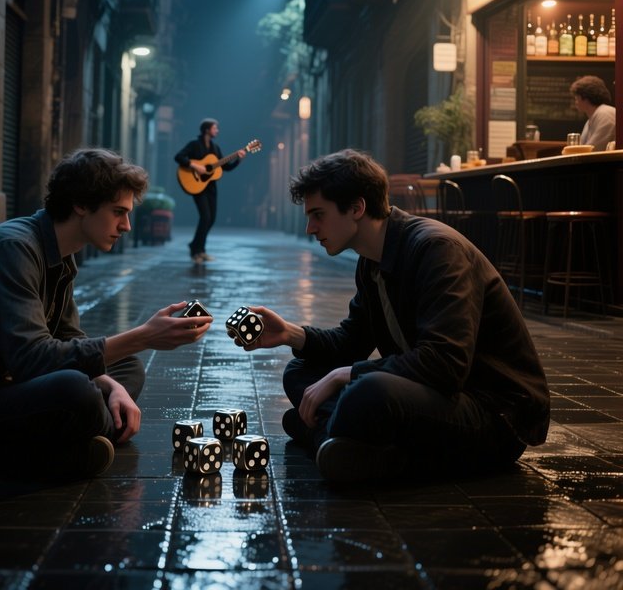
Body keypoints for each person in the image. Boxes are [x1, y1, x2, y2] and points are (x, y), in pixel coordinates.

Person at [0, 148, 212, 480]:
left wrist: (110, 384)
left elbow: (67, 337)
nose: (127, 225)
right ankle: (67, 445)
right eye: (118, 212)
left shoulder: (61, 255)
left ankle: (81, 436)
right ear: (80, 204)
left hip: (2, 384)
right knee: (76, 389)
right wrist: (143, 337)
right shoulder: (13, 248)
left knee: (125, 370)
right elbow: (31, 358)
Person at [238, 149, 550, 483]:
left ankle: (334, 439)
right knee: (301, 370)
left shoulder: (437, 251)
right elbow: (350, 341)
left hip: (496, 415)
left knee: (369, 391)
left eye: (318, 215)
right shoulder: (372, 261)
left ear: (357, 208)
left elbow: (445, 364)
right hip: (439, 398)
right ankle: (341, 443)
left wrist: (345, 375)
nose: (310, 228)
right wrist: (290, 334)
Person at [174, 118, 245, 264]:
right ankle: (195, 251)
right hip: (197, 186)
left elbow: (225, 168)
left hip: (210, 187)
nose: (217, 130)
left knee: (211, 219)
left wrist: (238, 159)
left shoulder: (215, 148)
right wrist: (195, 166)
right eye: (215, 128)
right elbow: (178, 157)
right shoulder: (194, 144)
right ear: (207, 130)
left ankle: (199, 248)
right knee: (205, 217)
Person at [570, 75, 616, 150]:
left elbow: (592, 150)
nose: (575, 102)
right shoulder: (593, 118)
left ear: (585, 98)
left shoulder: (605, 114)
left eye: (577, 98)